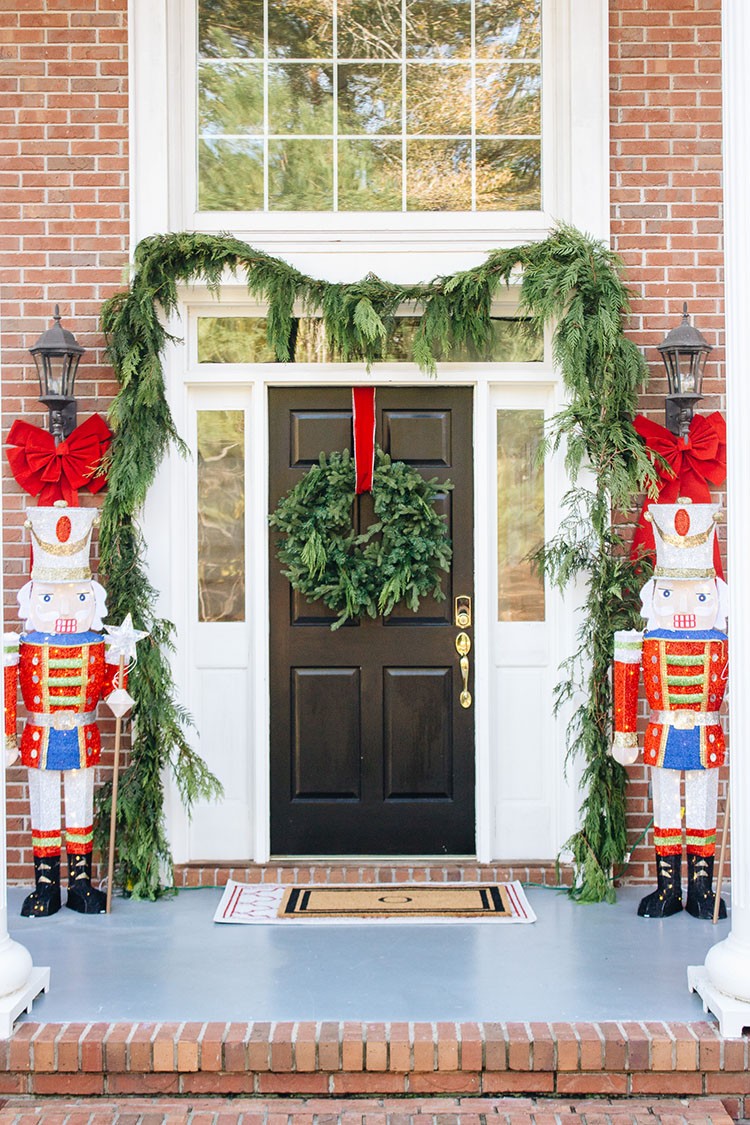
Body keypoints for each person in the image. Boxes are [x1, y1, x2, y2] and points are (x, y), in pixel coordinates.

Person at [3, 502, 122, 917]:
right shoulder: (23, 645)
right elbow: (9, 689)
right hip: (40, 735)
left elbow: (111, 686)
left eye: (78, 597)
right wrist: (8, 735)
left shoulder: (99, 644)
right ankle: (46, 884)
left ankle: (82, 882)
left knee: (81, 802)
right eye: (53, 597)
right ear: (34, 599)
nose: (68, 611)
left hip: (83, 735)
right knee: (44, 805)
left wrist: (119, 678)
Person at [612, 498, 728, 919]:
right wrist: (623, 734)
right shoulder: (640, 641)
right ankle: (668, 887)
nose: (681, 609)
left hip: (705, 733)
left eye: (697, 595)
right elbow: (625, 679)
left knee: (701, 803)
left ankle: (700, 887)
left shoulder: (726, 642)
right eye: (669, 593)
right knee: (664, 803)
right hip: (662, 734)